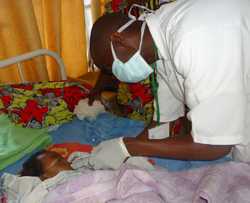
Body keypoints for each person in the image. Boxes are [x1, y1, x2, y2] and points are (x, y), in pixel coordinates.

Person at [70, 0, 250, 170]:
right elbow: (163, 121)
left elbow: (215, 146)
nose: (118, 76)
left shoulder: (193, 40)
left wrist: (128, 147)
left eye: (112, 67)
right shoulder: (158, 42)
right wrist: (129, 157)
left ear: (119, 40)